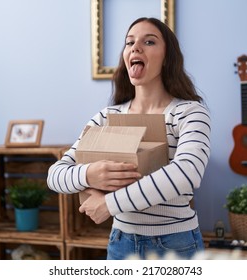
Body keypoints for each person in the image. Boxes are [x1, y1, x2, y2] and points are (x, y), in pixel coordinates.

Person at [47, 17, 211, 260]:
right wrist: (90, 174)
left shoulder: (189, 113)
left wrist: (110, 204)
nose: (135, 47)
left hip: (176, 245)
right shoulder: (107, 117)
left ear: (168, 57)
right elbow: (55, 175)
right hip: (121, 243)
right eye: (129, 42)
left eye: (149, 41)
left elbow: (187, 173)